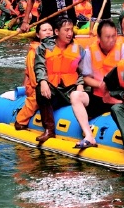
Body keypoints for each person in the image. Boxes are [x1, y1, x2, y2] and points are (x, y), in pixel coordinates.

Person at [33, 17, 97, 147]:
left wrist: (80, 85)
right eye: (66, 30)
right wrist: (43, 81)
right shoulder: (43, 47)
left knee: (87, 94)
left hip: (71, 89)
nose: (70, 33)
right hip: (53, 89)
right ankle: (49, 129)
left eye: (71, 30)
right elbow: (39, 66)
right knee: (40, 89)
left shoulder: (78, 49)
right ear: (56, 32)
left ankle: (89, 123)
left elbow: (83, 71)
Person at [78, 19, 124, 121]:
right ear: (99, 37)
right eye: (107, 37)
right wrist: (100, 85)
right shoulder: (89, 52)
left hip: (119, 96)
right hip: (98, 95)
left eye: (114, 36)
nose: (111, 40)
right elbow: (86, 78)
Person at [13, 21, 54, 130]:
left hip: (53, 84)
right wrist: (44, 85)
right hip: (36, 86)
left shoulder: (56, 48)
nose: (48, 33)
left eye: (50, 30)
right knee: (38, 97)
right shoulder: (34, 52)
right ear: (38, 34)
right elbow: (33, 76)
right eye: (44, 30)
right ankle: (21, 120)